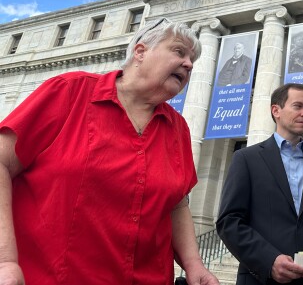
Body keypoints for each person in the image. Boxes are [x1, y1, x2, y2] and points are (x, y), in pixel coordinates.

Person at [0, 18, 219, 285]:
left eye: (192, 59)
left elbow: (177, 204)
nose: (189, 64)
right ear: (140, 52)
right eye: (179, 51)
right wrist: (5, 261)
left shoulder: (179, 128)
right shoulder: (69, 91)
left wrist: (193, 264)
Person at [216, 83, 303, 284]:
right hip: (261, 279)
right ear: (276, 110)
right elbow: (230, 221)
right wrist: (269, 260)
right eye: (298, 106)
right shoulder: (246, 159)